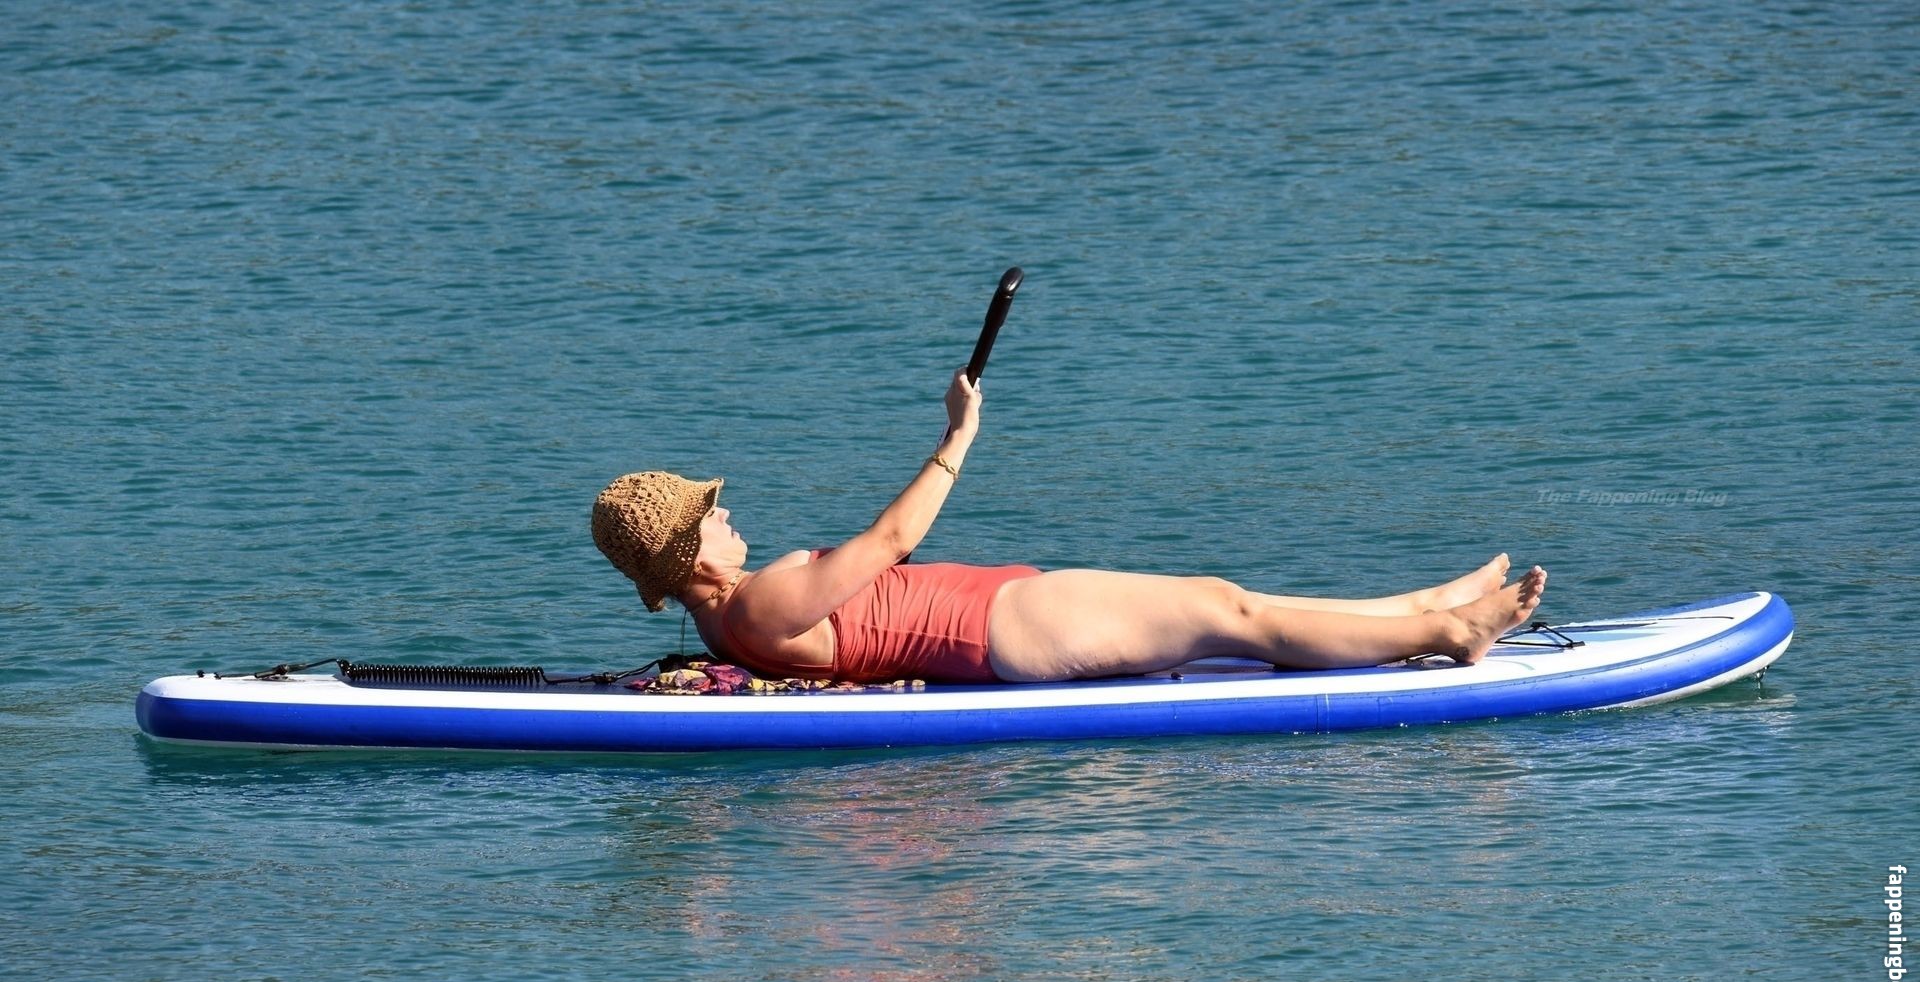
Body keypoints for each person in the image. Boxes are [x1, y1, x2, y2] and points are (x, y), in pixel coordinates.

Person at [592, 370, 1546, 684]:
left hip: (997, 614)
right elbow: (886, 546)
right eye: (708, 515)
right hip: (1000, 629)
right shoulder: (755, 605)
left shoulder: (730, 613)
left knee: (1227, 602)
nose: (726, 512)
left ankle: (1418, 605)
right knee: (1229, 614)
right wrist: (958, 438)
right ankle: (1446, 634)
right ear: (688, 556)